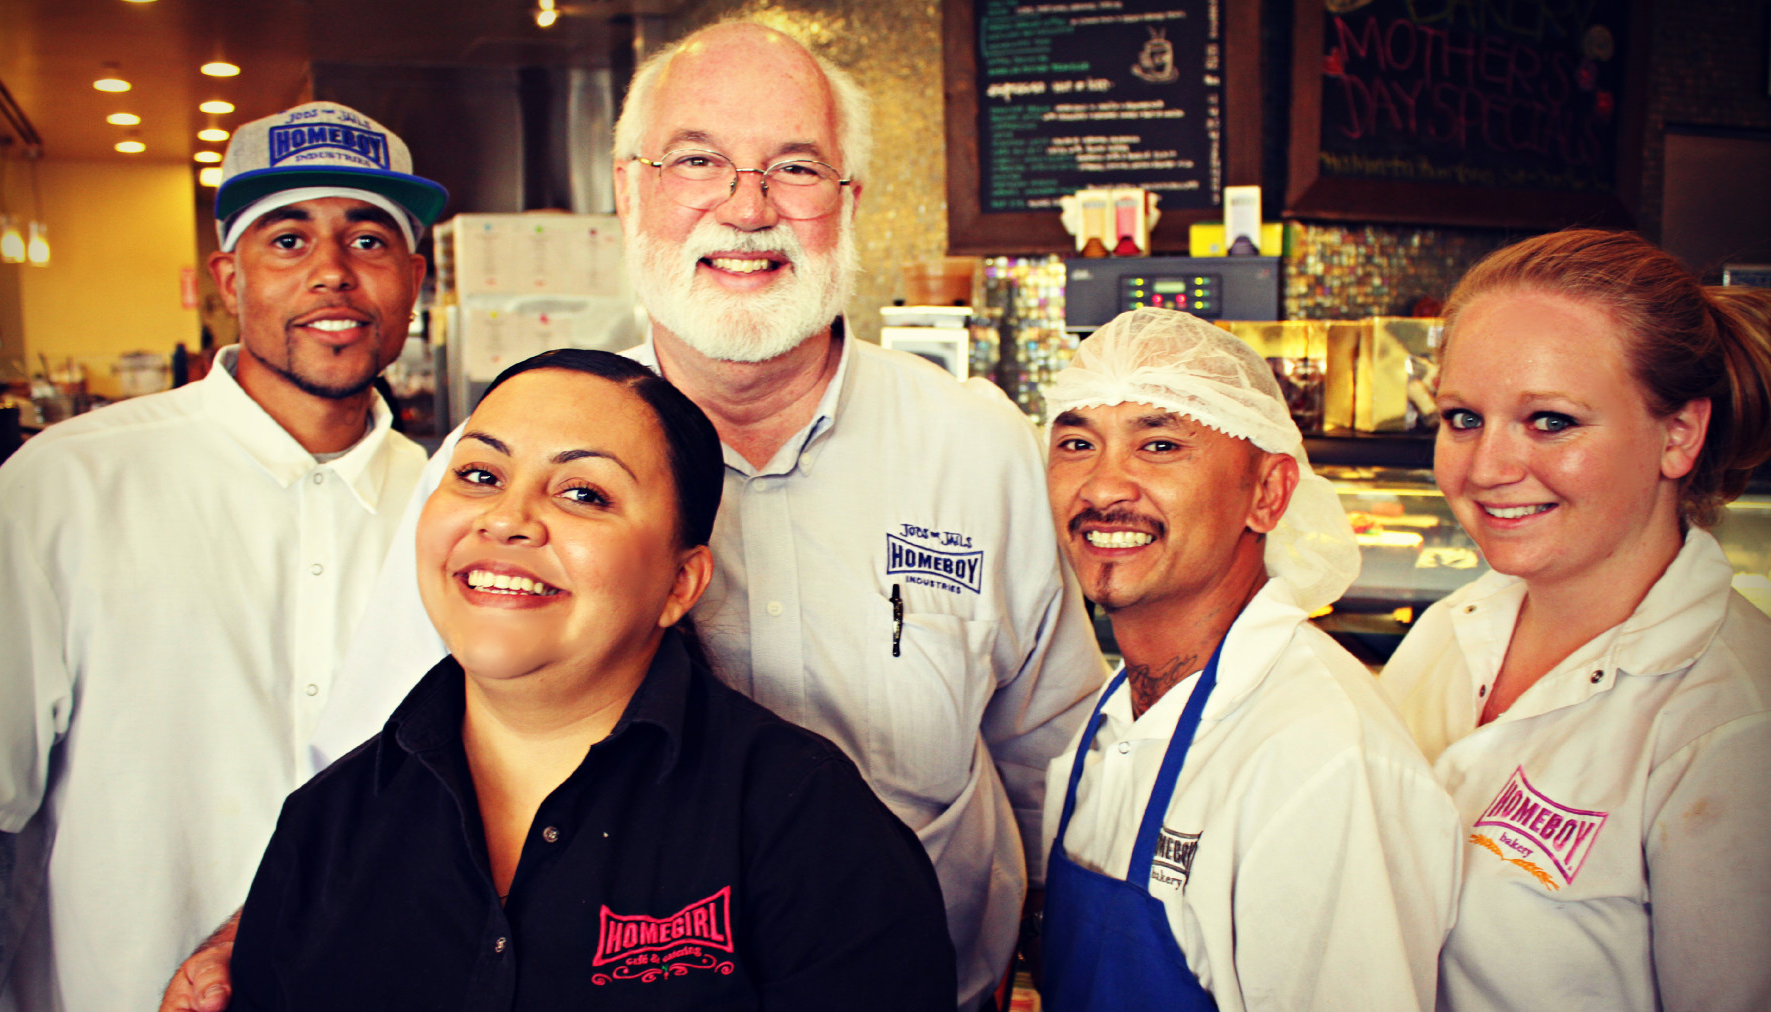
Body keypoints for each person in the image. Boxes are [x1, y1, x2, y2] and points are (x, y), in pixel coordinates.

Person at [165, 21, 1104, 1012]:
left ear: (849, 200)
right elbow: (384, 773)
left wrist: (1069, 965)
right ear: (628, 190)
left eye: (795, 167)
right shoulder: (502, 465)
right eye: (697, 160)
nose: (747, 208)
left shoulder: (976, 443)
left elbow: (1051, 752)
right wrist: (258, 932)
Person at [225, 349, 957, 1009]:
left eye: (583, 493)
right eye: (480, 475)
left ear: (680, 582)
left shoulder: (809, 825)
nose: (507, 519)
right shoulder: (328, 821)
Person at [0, 101, 444, 1011]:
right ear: (229, 278)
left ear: (413, 279)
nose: (334, 272)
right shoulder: (68, 487)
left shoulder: (451, 510)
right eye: (289, 240)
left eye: (370, 241)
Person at [1377, 229, 1771, 1011]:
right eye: (1462, 418)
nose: (1486, 468)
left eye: (1550, 421)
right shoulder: (1452, 627)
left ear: (1679, 436)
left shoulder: (1731, 727)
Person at [1037, 308, 1462, 1012]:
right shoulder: (1117, 710)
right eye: (1077, 443)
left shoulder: (1322, 761)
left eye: (1160, 445)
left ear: (1268, 493)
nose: (1103, 487)